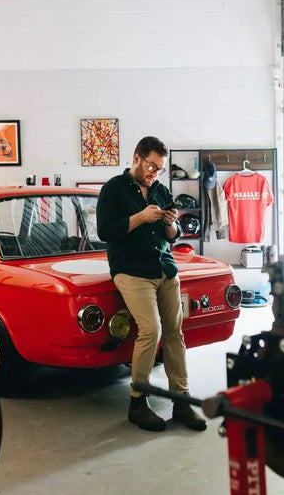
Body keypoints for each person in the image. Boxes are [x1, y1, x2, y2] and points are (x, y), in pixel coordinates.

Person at [96, 136, 207, 432]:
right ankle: (137, 402)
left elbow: (172, 236)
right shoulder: (113, 189)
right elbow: (105, 231)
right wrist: (140, 217)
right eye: (151, 166)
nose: (154, 174)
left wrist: (170, 222)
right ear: (136, 158)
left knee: (175, 333)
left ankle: (181, 401)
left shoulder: (161, 190)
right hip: (131, 271)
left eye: (159, 169)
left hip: (165, 268)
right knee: (151, 330)